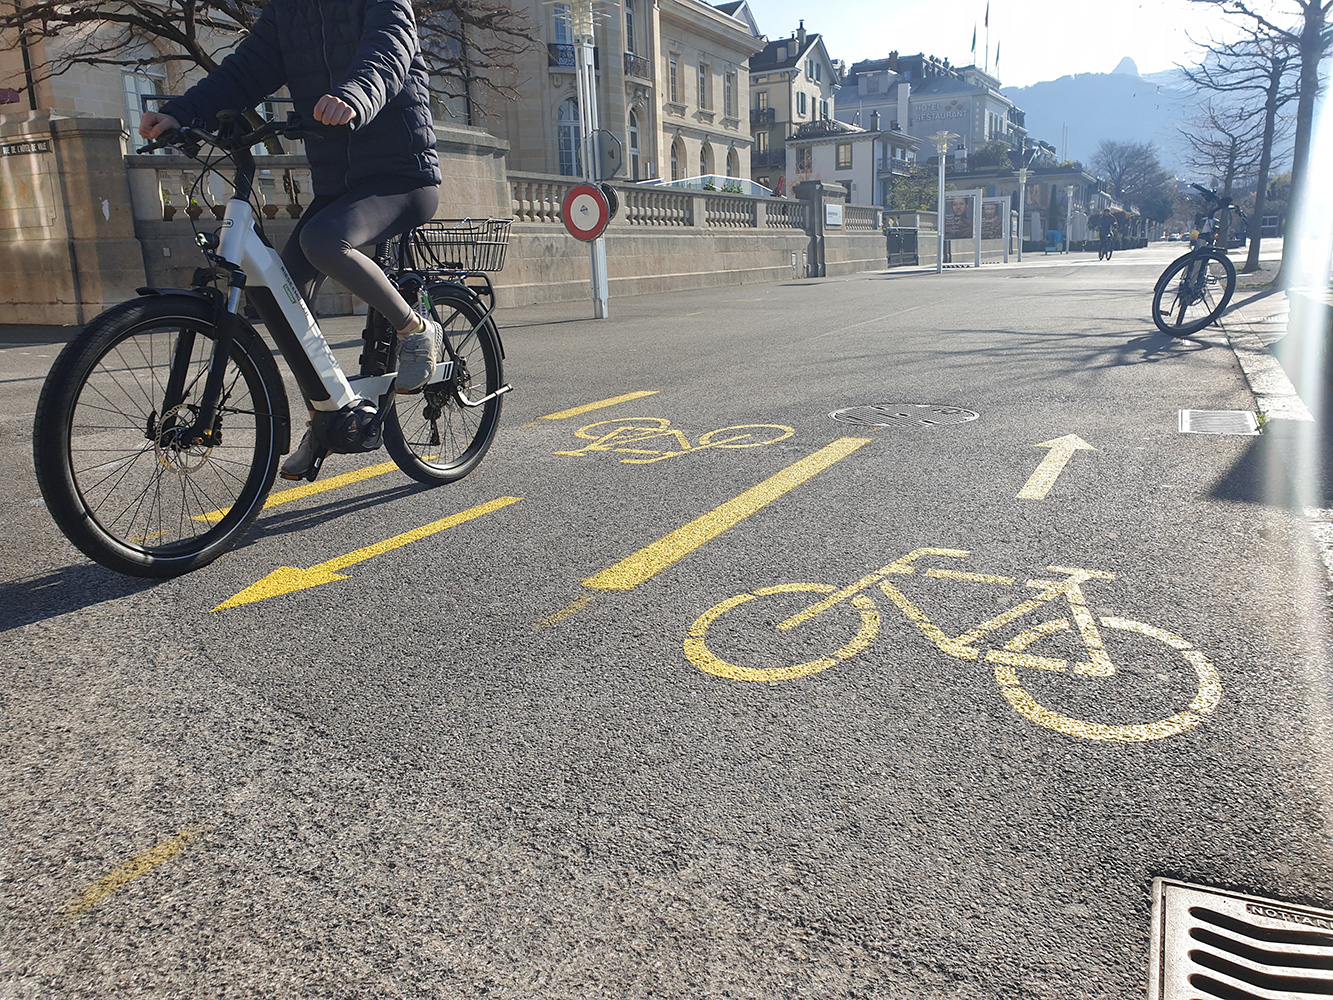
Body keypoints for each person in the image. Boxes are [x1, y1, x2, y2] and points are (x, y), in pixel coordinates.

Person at [139, 0, 443, 481]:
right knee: (278, 292)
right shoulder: (288, 11)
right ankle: (327, 416)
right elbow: (245, 71)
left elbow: (389, 50)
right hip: (337, 186)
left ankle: (415, 329)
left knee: (324, 241)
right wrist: (181, 111)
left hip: (403, 176)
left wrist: (356, 95)